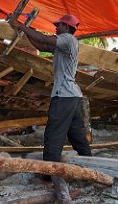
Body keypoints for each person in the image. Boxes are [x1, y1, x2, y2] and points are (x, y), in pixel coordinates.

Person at [7, 14, 92, 176]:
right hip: (71, 95)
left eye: (58, 25)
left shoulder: (67, 39)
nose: (55, 27)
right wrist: (25, 31)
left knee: (54, 133)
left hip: (64, 95)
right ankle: (90, 163)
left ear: (66, 27)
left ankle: (48, 174)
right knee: (75, 134)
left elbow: (43, 38)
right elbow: (41, 45)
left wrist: (20, 25)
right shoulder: (63, 44)